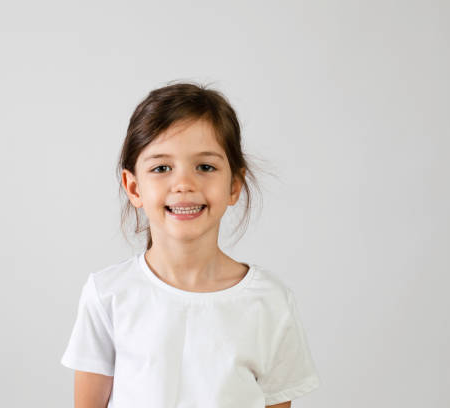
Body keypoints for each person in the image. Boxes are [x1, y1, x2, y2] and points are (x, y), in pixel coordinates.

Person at [60, 81, 321, 407]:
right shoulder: (108, 294)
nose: (183, 184)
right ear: (134, 187)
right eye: (161, 168)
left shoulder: (269, 302)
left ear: (234, 185)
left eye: (205, 167)